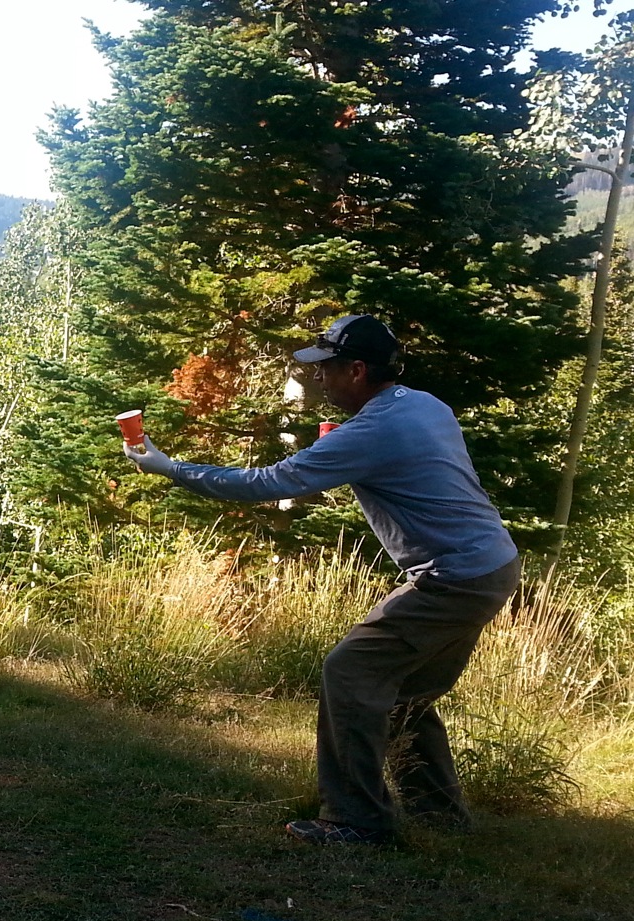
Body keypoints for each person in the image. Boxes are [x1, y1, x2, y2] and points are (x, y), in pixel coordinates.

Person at [123, 314, 520, 845]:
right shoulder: (424, 405)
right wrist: (339, 452)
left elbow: (267, 483)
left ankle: (356, 820)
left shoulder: (373, 430)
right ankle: (439, 816)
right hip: (492, 564)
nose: (318, 378)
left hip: (452, 578)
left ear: (356, 370)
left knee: (349, 673)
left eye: (326, 368)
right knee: (405, 694)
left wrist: (171, 468)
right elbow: (407, 465)